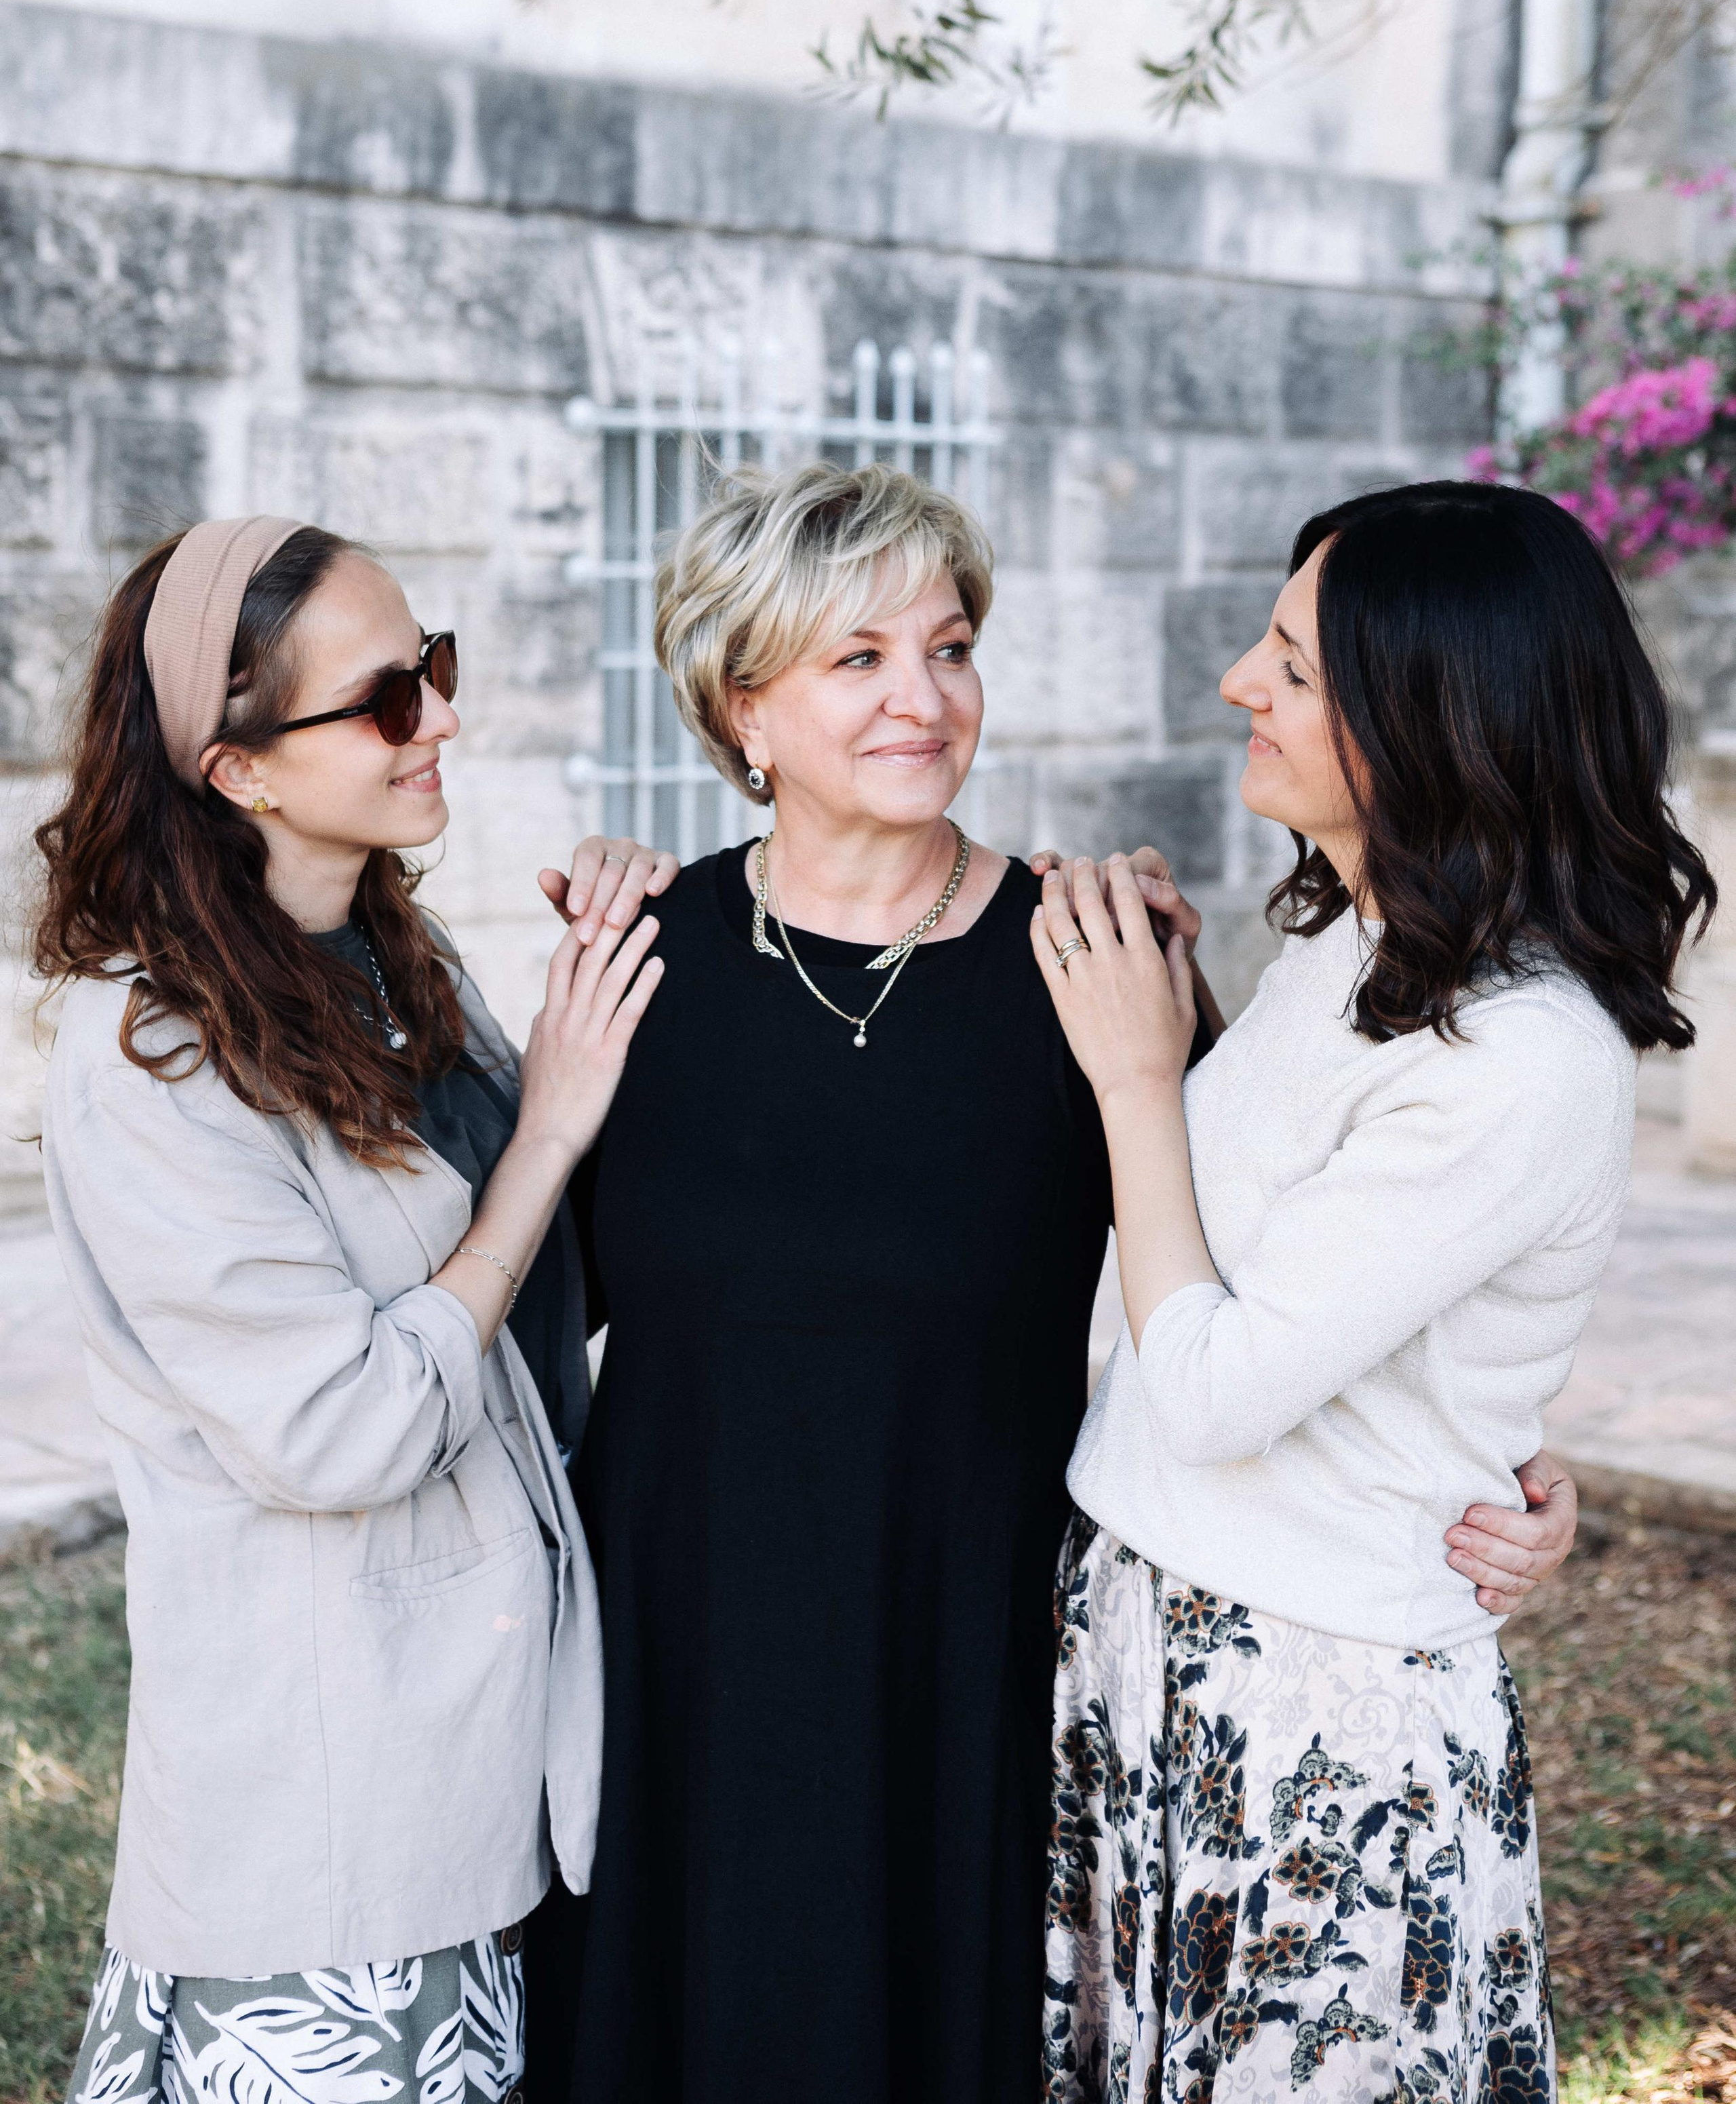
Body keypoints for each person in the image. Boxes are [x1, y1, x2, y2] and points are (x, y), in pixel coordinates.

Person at [530, 461, 1583, 2104]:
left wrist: (1500, 1462)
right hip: (688, 1646)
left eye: (947, 648)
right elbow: (524, 1318)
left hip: (981, 1659)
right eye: (856, 658)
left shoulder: (1095, 963)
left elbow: (1273, 1269)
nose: (922, 697)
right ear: (742, 706)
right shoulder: (636, 959)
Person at [1034, 480, 1716, 2104]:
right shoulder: (1358, 939)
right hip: (1162, 1646)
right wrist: (1186, 1025)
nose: (1236, 684)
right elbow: (1271, 1239)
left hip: (1312, 1716)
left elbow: (1210, 1388)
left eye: (1292, 662)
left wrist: (1134, 1078)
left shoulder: (1520, 1050)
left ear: (1430, 719)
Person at [37, 516, 661, 2104]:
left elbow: (556, 1285)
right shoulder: (152, 1057)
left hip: (483, 1757)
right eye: (389, 698)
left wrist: (619, 974)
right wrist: (548, 1134)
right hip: (329, 1820)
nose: (442, 717)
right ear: (236, 769)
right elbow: (342, 1424)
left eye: (433, 670)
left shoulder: (389, 954)